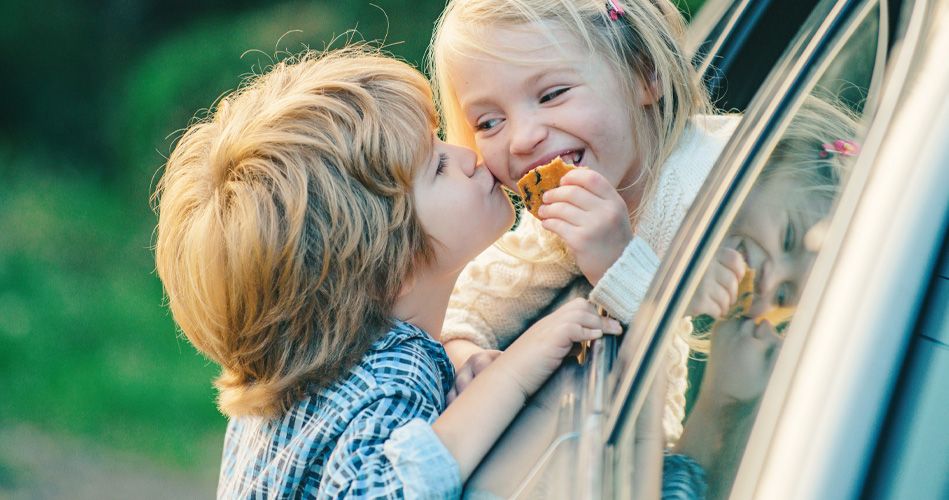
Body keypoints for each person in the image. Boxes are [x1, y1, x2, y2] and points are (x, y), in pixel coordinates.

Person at [152, 46, 623, 499]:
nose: (466, 155)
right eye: (438, 165)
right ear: (389, 266)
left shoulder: (286, 387)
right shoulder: (397, 373)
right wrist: (514, 376)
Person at [428, 0, 740, 444]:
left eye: (552, 94)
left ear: (644, 74)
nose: (523, 137)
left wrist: (619, 262)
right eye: (490, 121)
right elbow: (463, 309)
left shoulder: (727, 179)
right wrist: (467, 357)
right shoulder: (555, 230)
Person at [661, 94, 860, 499]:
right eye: (788, 237)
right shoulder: (642, 190)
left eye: (787, 293)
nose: (769, 282)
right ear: (768, 156)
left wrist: (723, 404)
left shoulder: (669, 346)